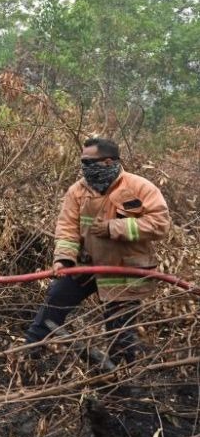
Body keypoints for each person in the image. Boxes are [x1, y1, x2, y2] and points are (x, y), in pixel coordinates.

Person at [25, 137, 171, 363]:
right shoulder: (77, 191)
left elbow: (160, 225)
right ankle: (28, 358)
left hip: (124, 272)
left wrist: (115, 227)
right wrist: (63, 259)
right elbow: (67, 228)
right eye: (82, 162)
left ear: (108, 161)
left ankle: (121, 381)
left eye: (89, 162)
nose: (84, 168)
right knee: (54, 301)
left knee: (119, 331)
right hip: (86, 266)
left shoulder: (139, 187)